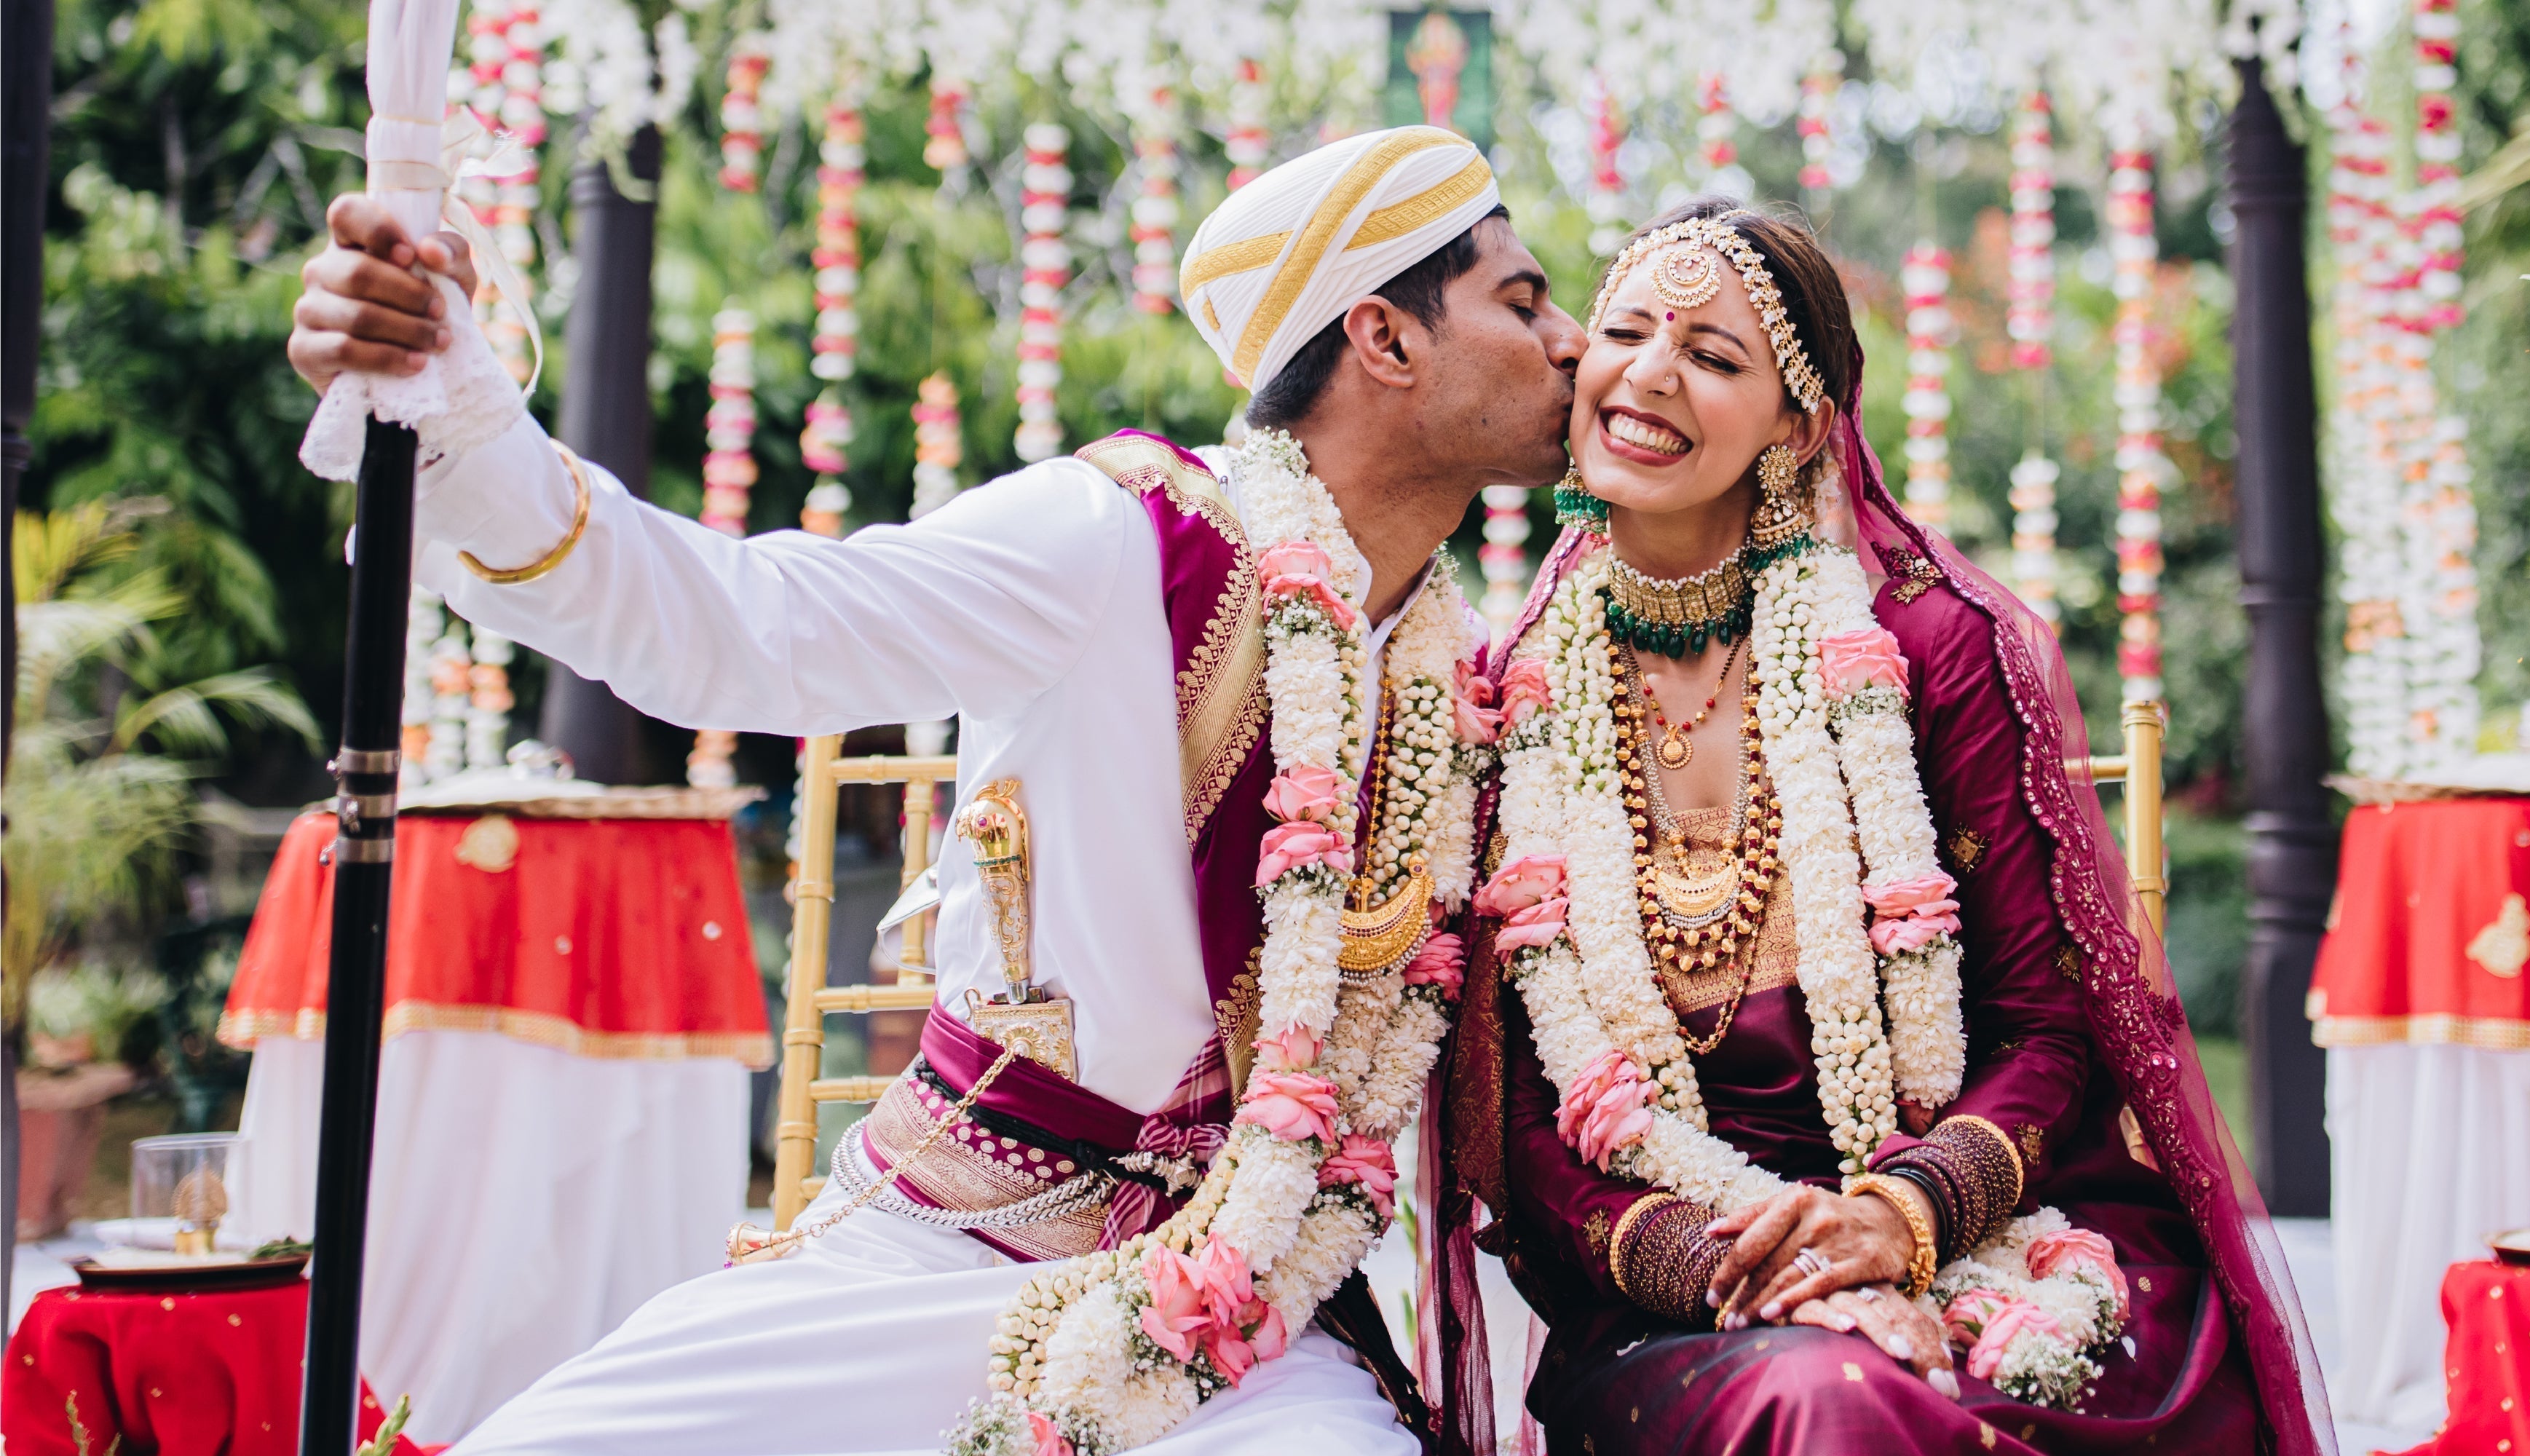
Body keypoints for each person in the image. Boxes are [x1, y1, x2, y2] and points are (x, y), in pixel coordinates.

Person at [287, 126, 1583, 1455]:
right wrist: (457, 425)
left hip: (1238, 1324)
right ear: (1386, 338)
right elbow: (745, 629)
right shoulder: (1115, 537)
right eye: (1525, 300)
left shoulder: (1457, 675)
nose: (1574, 343)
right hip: (942, 1260)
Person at [1430, 199, 2331, 1456]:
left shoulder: (1927, 649)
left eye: (1715, 355)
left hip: (1987, 1228)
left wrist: (1900, 1219)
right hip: (1682, 1293)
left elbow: (2046, 1023)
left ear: (1801, 423)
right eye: (1628, 331)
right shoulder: (1509, 691)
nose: (1649, 374)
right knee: (1825, 1398)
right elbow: (1518, 1118)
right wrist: (1746, 1271)